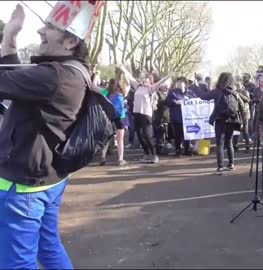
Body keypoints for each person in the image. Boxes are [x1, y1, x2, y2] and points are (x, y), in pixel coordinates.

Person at [0, 4, 104, 268]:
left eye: (50, 27)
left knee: (16, 263)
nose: (40, 30)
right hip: (49, 180)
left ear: (70, 40)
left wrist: (9, 38)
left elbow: (7, 81)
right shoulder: (74, 72)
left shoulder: (54, 76)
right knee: (48, 247)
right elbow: (16, 80)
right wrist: (10, 38)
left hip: (23, 188)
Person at [117, 66, 172, 163]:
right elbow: (130, 77)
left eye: (146, 79)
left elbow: (159, 83)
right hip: (137, 114)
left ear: (150, 81)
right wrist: (123, 69)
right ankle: (147, 154)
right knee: (140, 135)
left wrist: (168, 76)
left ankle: (154, 155)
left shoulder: (151, 89)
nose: (143, 81)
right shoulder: (137, 86)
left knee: (148, 135)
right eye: (142, 79)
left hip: (146, 115)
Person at [195, 72, 244, 174]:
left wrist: (197, 86)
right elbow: (241, 106)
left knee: (219, 143)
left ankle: (220, 166)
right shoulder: (234, 92)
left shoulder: (217, 91)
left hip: (220, 119)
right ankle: (231, 164)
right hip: (232, 119)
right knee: (229, 141)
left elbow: (202, 96)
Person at [100, 78, 129, 166]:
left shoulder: (106, 93)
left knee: (107, 138)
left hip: (109, 117)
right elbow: (129, 84)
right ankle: (120, 159)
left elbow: (94, 87)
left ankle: (103, 156)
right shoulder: (121, 93)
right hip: (120, 118)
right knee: (120, 139)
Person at [166, 77, 197, 157]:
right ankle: (178, 150)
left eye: (181, 83)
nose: (178, 84)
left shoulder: (190, 93)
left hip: (188, 118)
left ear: (185, 84)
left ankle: (187, 150)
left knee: (187, 135)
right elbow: (168, 102)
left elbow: (196, 101)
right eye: (178, 83)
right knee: (177, 135)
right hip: (176, 118)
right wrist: (176, 102)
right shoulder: (172, 93)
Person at [152, 74, 171, 155]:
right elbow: (156, 103)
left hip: (166, 117)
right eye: (165, 85)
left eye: (167, 86)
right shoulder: (157, 93)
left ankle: (164, 147)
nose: (166, 87)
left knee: (165, 134)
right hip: (159, 117)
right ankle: (159, 149)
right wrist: (165, 101)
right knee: (159, 134)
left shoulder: (167, 93)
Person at [232, 81, 252, 152]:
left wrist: (239, 94)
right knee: (236, 130)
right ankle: (235, 146)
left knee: (245, 130)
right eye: (236, 85)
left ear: (242, 85)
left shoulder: (245, 92)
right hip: (237, 114)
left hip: (244, 114)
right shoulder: (233, 92)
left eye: (238, 85)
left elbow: (248, 100)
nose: (237, 86)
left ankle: (247, 146)